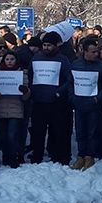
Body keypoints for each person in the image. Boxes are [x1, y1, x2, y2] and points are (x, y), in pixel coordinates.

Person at [69, 39, 102, 170]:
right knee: (80, 131)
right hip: (79, 104)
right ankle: (81, 156)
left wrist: (98, 98)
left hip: (94, 105)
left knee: (92, 131)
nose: (96, 54)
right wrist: (72, 97)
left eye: (97, 51)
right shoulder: (75, 64)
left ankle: (90, 156)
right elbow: (70, 82)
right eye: (93, 52)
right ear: (85, 51)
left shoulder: (101, 66)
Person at [29, 32, 72, 165]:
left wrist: (59, 92)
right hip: (39, 101)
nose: (46, 48)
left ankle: (57, 155)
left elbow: (69, 79)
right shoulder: (36, 58)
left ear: (55, 46)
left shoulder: (62, 59)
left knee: (57, 130)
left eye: (49, 45)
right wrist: (32, 90)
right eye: (44, 45)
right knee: (38, 131)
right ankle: (37, 154)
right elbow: (30, 75)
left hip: (56, 102)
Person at [0, 51, 30, 168]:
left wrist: (25, 91)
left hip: (16, 109)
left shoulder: (22, 74)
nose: (9, 62)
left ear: (16, 60)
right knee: (1, 136)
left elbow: (26, 97)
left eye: (12, 59)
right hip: (0, 109)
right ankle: (0, 157)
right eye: (7, 59)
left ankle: (12, 158)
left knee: (12, 135)